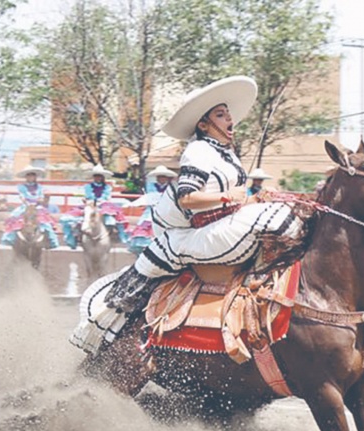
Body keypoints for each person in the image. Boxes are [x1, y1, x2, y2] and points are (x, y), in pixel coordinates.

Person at [71, 75, 303, 352]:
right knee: (282, 220)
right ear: (203, 124)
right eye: (221, 114)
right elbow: (187, 197)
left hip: (223, 225)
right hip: (203, 233)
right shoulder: (198, 150)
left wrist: (254, 198)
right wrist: (230, 196)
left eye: (228, 114)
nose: (230, 119)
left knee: (289, 209)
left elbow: (234, 199)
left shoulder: (225, 154)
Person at [60, 164, 125, 249]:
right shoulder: (88, 186)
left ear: (102, 177)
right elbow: (88, 196)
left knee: (113, 217)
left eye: (99, 176)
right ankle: (72, 240)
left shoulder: (107, 187)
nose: (97, 178)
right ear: (93, 177)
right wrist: (89, 202)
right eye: (96, 176)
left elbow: (106, 197)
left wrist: (99, 202)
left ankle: (118, 236)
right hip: (89, 204)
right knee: (68, 218)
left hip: (103, 204)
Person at [1, 165, 59, 248]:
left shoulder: (40, 187)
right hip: (25, 206)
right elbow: (22, 197)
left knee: (46, 223)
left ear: (35, 176)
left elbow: (42, 198)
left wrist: (40, 201)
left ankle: (52, 241)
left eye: (33, 175)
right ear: (26, 177)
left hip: (38, 207)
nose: (31, 177)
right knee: (14, 218)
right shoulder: (21, 187)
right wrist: (28, 204)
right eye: (29, 175)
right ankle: (8, 239)